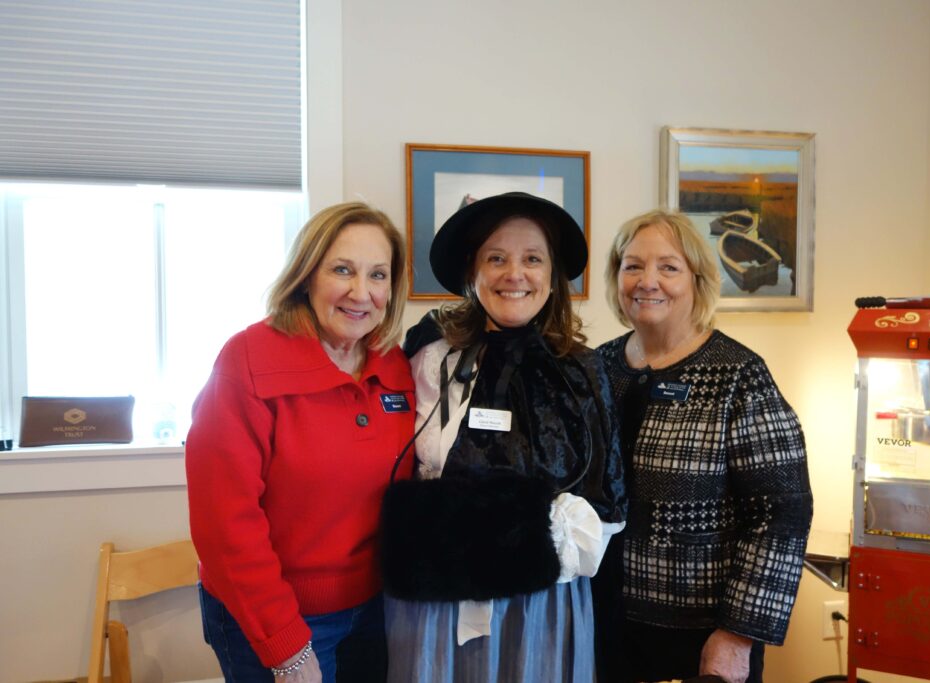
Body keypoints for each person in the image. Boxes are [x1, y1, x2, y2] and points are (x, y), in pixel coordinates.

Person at [381, 192, 628, 683]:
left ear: (552, 275)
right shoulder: (428, 357)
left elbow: (607, 497)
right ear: (473, 271)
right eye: (496, 258)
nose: (515, 274)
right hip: (434, 603)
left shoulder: (582, 370)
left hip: (542, 605)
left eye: (532, 259)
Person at [185, 202, 415, 683]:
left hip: (373, 610)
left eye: (378, 275)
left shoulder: (394, 364)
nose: (361, 292)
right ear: (306, 274)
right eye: (342, 270)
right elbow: (225, 527)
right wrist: (287, 647)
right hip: (275, 615)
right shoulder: (247, 360)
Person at [593, 209, 812, 683]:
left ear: (697, 280)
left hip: (700, 639)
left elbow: (782, 515)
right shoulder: (597, 368)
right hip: (602, 624)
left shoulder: (739, 375)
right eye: (633, 266)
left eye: (668, 267)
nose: (647, 281)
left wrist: (738, 634)